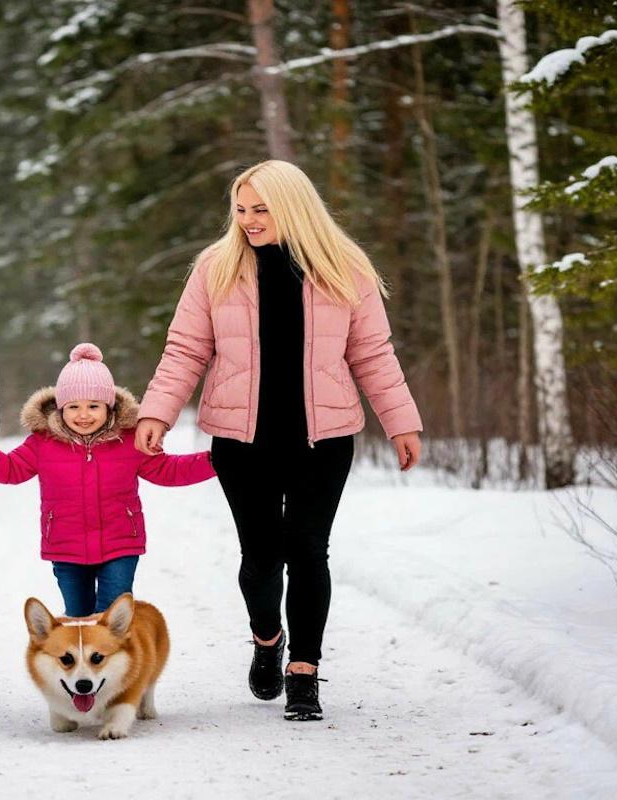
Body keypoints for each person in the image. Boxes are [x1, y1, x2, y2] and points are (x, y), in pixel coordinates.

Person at [135, 160, 423, 721]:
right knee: (262, 556)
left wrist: (401, 421)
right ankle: (268, 640)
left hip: (325, 439)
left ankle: (305, 673)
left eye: (260, 209)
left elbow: (373, 355)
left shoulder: (345, 268)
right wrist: (157, 414)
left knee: (309, 552)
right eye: (240, 209)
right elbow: (186, 349)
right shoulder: (216, 268)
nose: (247, 220)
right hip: (243, 441)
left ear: (293, 206)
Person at [0, 343, 216, 616]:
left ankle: (118, 659)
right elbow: (12, 469)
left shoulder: (129, 440)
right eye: (73, 407)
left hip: (121, 545)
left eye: (93, 406)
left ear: (109, 406)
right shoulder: (43, 443)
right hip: (65, 548)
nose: (83, 415)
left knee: (112, 621)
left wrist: (216, 462)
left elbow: (168, 470)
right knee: (79, 620)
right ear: (60, 408)